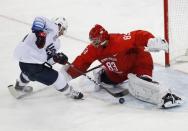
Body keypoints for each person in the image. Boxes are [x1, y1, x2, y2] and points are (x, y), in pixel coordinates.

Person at [66, 24, 182, 108]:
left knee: (139, 85)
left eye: (96, 41)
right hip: (118, 70)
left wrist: (150, 41)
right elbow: (82, 61)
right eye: (92, 41)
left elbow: (137, 35)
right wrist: (66, 76)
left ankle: (166, 96)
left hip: (138, 63)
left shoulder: (119, 41)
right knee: (106, 81)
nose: (93, 44)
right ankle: (103, 74)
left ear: (103, 38)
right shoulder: (94, 48)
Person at [12, 16, 83, 99]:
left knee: (30, 72)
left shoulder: (57, 43)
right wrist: (40, 34)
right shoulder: (52, 28)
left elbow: (46, 62)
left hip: (25, 64)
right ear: (59, 25)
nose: (62, 32)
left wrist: (56, 59)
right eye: (63, 29)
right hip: (30, 62)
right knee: (59, 78)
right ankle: (70, 93)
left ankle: (19, 86)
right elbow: (39, 19)